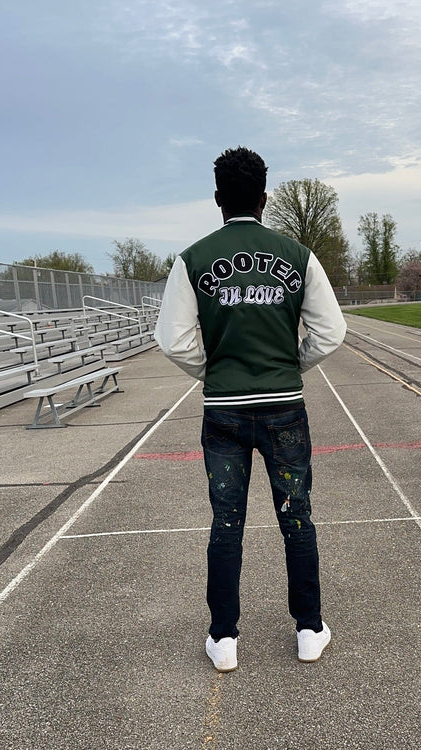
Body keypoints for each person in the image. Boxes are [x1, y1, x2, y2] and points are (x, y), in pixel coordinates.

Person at [156, 147, 347, 673]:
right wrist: (291, 365)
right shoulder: (298, 255)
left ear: (218, 198)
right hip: (284, 406)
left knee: (226, 522)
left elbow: (171, 340)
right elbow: (332, 333)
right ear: (265, 198)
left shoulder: (192, 259)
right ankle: (309, 628)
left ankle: (224, 638)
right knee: (297, 517)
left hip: (224, 411)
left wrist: (212, 371)